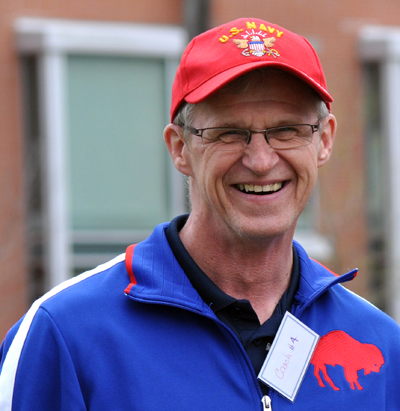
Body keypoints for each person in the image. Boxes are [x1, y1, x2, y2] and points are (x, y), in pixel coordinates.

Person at [1, 17, 399, 410]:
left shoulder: (381, 344)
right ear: (179, 148)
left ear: (324, 140)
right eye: (228, 132)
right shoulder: (66, 334)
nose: (261, 161)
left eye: (287, 130)